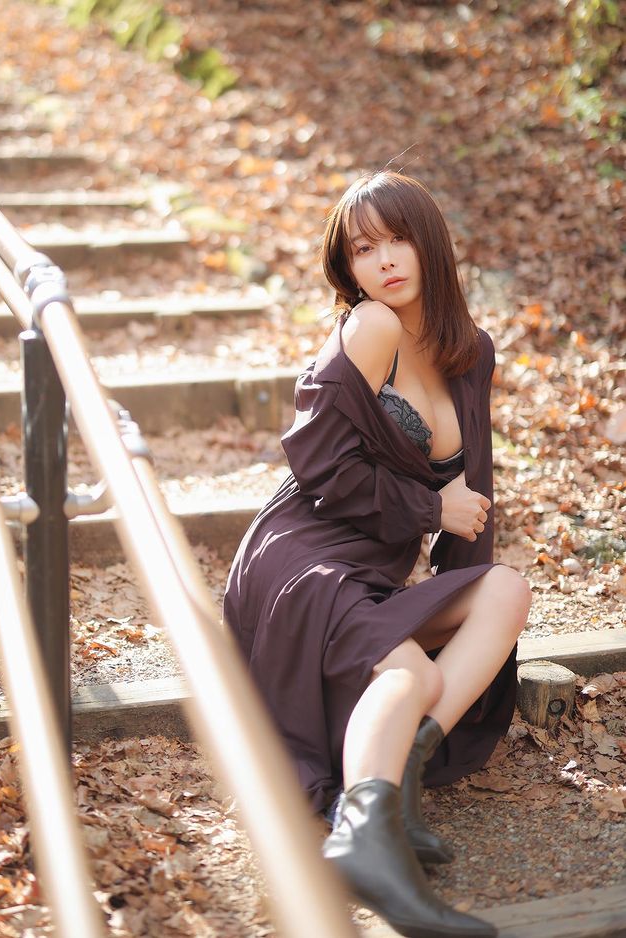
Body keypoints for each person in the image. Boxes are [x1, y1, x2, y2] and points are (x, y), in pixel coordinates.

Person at [223, 170, 531, 937]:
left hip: (372, 569)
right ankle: (363, 840)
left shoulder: (471, 353)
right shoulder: (370, 329)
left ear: (429, 243)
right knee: (412, 672)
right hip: (301, 555)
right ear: (348, 267)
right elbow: (318, 465)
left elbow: (473, 502)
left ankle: (401, 781)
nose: (384, 260)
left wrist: (453, 572)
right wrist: (430, 508)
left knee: (504, 591)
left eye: (397, 239)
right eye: (363, 249)